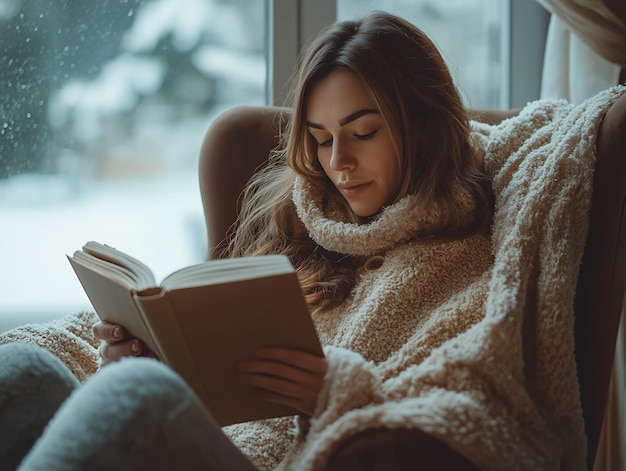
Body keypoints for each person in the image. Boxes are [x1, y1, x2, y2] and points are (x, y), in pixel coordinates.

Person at [1, 10, 623, 471]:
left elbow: (474, 407)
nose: (338, 163)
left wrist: (336, 389)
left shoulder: (468, 252)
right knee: (29, 370)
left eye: (364, 131)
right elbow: (220, 381)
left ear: (425, 124)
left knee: (137, 399)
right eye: (322, 139)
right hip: (218, 442)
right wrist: (148, 354)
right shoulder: (299, 236)